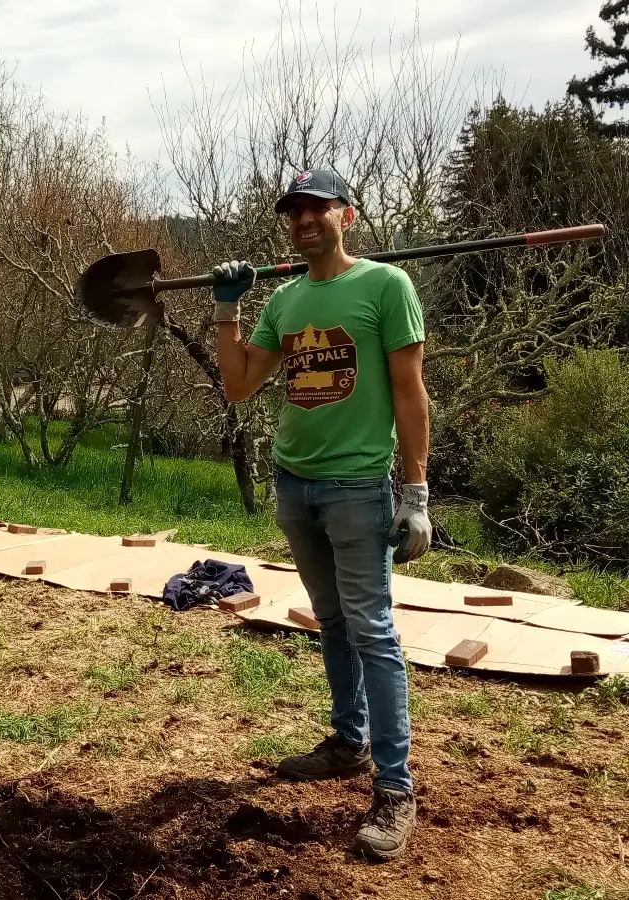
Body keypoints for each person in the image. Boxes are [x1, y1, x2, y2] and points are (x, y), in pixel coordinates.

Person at [212, 169, 431, 862]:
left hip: (357, 486)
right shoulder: (285, 298)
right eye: (294, 212)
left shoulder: (385, 288)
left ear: (348, 215)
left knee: (372, 630)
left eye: (318, 209)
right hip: (295, 483)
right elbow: (241, 384)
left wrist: (416, 491)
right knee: (332, 621)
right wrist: (227, 309)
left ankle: (395, 788)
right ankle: (347, 743)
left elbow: (409, 393)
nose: (304, 220)